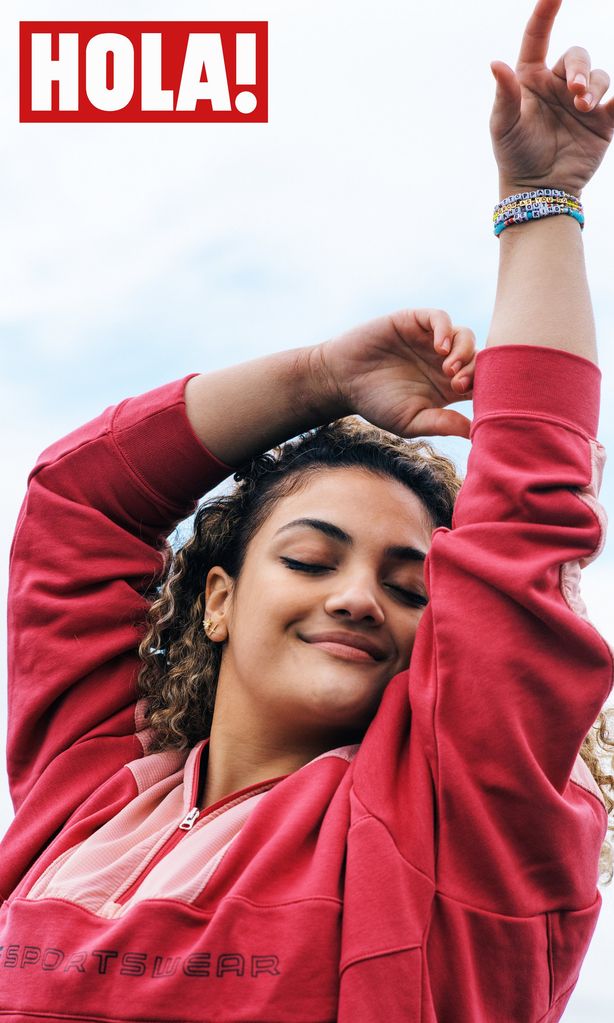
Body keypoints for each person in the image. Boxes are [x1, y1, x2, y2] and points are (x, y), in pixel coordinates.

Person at [2, 0, 614, 1019]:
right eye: (310, 558)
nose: (358, 596)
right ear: (215, 601)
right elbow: (77, 506)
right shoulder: (86, 798)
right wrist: (321, 375)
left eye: (409, 583)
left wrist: (540, 200)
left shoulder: (442, 834)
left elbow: (521, 525)